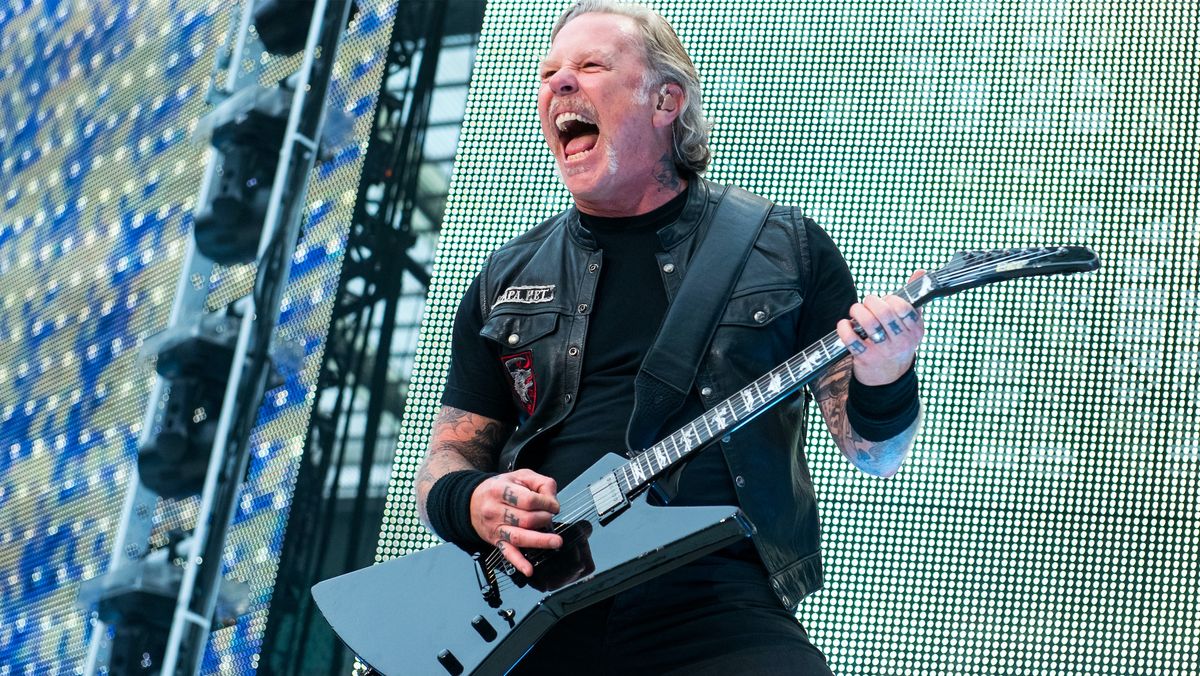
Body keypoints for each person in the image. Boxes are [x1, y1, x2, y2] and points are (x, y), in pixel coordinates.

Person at [414, 2, 925, 673]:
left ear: (666, 100)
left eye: (591, 66)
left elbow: (872, 454)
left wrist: (886, 370)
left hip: (718, 603)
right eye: (548, 74)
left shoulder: (784, 248)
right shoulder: (505, 279)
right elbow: (446, 463)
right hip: (535, 613)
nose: (560, 84)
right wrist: (475, 503)